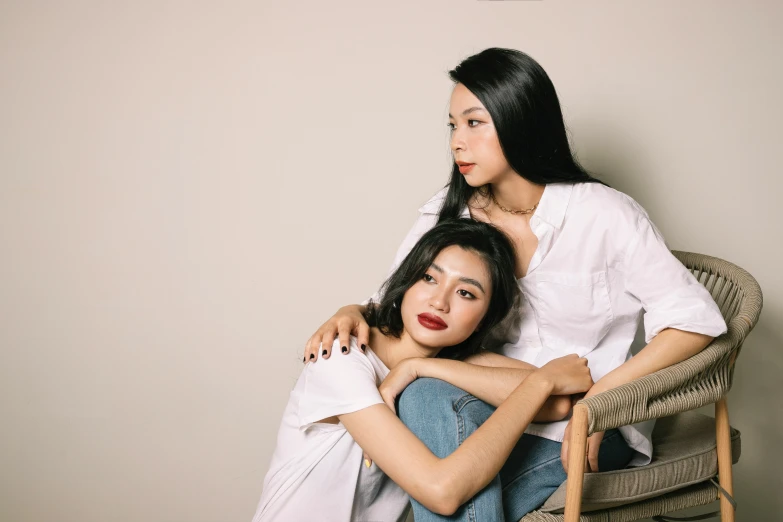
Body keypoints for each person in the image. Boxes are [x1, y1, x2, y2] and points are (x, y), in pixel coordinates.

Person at [303, 48, 728, 521]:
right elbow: (397, 302)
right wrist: (349, 310)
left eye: (474, 123)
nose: (457, 144)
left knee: (453, 494)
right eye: (452, 126)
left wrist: (601, 404)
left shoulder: (603, 214)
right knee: (425, 405)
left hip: (576, 422)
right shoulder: (448, 210)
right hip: (475, 403)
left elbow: (694, 322)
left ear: (519, 120)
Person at [252, 219, 595, 522]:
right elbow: (442, 492)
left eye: (466, 292)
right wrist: (543, 380)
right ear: (406, 283)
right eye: (429, 277)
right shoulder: (341, 357)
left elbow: (560, 402)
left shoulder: (451, 363)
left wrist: (421, 366)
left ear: (484, 321)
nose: (439, 301)